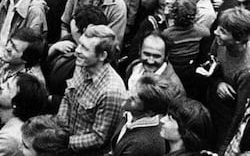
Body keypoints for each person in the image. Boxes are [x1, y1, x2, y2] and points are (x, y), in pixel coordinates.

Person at [56, 24, 127, 156]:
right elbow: (68, 97)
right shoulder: (82, 65)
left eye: (84, 48)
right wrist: (60, 130)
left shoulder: (111, 92)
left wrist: (64, 143)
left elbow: (98, 138)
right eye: (79, 44)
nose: (77, 50)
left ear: (102, 56)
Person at [0, 73, 49, 156]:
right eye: (5, 82)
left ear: (17, 103)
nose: (1, 86)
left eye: (7, 87)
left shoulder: (10, 137)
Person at [207, 7, 250, 146]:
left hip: (227, 117)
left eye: (223, 32)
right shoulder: (219, 42)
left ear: (239, 40)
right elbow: (211, 65)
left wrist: (224, 146)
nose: (216, 32)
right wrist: (218, 82)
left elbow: (239, 114)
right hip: (213, 102)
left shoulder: (246, 71)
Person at [111, 73, 178, 156]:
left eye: (133, 99)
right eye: (130, 90)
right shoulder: (130, 114)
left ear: (149, 112)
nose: (125, 96)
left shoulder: (143, 145)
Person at [162, 0, 211, 100]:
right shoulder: (203, 32)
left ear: (174, 14)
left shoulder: (167, 35)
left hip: (172, 72)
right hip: (191, 73)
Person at [125, 32, 185, 97]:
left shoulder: (174, 87)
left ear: (166, 56)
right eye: (147, 54)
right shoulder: (134, 67)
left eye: (156, 56)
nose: (150, 61)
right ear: (139, 50)